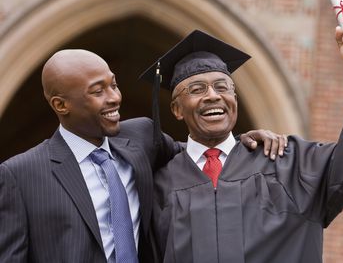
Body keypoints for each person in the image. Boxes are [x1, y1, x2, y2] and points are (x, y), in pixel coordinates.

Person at [0, 49, 286, 263]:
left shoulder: (141, 138)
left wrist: (240, 142)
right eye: (97, 91)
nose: (114, 98)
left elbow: (195, 154)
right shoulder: (20, 174)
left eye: (113, 84)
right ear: (61, 105)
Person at [145, 18, 343, 263]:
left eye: (222, 87)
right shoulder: (159, 186)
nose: (213, 96)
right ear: (177, 109)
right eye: (197, 89)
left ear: (235, 98)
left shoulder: (290, 164)